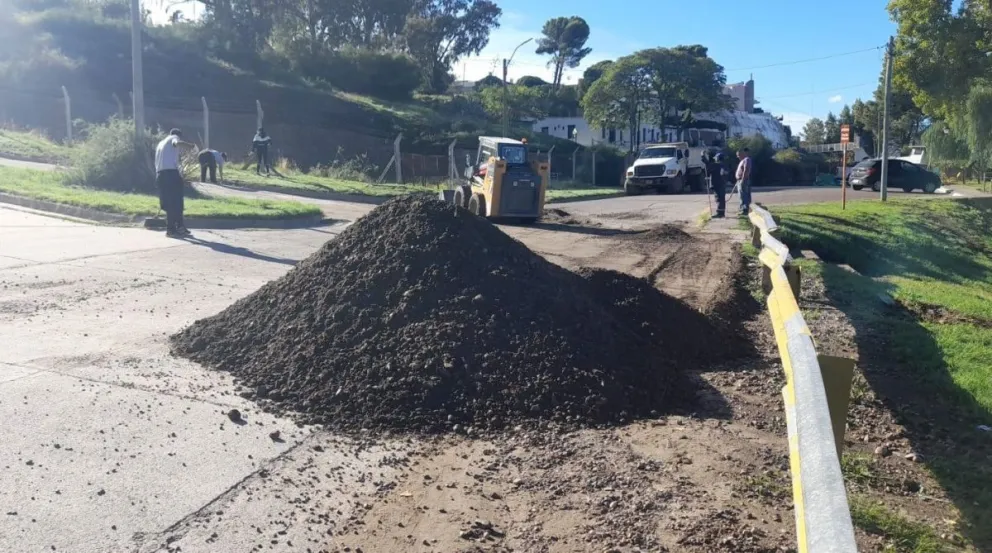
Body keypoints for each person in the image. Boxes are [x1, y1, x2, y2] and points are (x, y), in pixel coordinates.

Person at [155, 128, 196, 238]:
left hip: (160, 175)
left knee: (169, 203)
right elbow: (176, 143)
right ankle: (172, 229)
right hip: (171, 174)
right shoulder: (174, 138)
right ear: (179, 135)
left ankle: (178, 227)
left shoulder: (161, 144)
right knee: (177, 202)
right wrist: (190, 146)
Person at [705, 151, 727, 218]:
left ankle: (719, 213)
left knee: (719, 198)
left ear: (717, 158)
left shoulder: (716, 165)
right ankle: (722, 213)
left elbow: (707, 164)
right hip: (722, 184)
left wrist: (703, 156)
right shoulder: (724, 165)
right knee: (722, 198)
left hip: (717, 184)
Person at [735, 148, 753, 215]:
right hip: (740, 180)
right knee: (743, 195)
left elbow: (746, 170)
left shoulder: (746, 159)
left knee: (743, 195)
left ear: (743, 154)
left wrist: (743, 180)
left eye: (738, 155)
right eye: (737, 155)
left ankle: (744, 209)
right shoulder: (743, 160)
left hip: (743, 180)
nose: (738, 157)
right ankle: (744, 209)